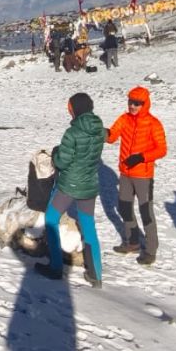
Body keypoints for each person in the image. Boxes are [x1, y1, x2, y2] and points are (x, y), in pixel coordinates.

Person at [37, 92, 105, 289]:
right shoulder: (99, 130)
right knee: (89, 227)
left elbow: (62, 161)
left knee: (51, 219)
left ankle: (56, 267)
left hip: (68, 185)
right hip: (89, 186)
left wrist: (57, 153)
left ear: (75, 109)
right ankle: (96, 275)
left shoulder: (72, 133)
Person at [106, 87, 167, 265]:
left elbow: (162, 149)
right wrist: (98, 131)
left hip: (143, 176)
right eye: (130, 102)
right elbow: (111, 137)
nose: (132, 106)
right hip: (125, 173)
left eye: (137, 103)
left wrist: (141, 157)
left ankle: (150, 250)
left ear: (145, 104)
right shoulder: (124, 119)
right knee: (124, 208)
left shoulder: (153, 123)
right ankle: (132, 243)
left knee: (145, 212)